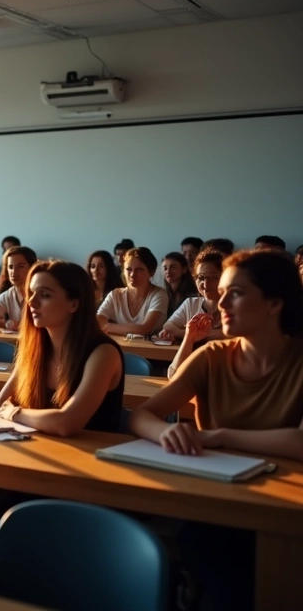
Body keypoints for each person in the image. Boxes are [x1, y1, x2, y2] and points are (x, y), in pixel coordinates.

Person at [129, 250, 303, 611]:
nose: (220, 303)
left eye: (235, 293)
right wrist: (164, 432)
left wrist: (221, 436)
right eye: (220, 292)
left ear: (274, 303)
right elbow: (143, 415)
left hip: (284, 505)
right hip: (215, 501)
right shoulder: (211, 356)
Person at [0, 261, 125, 435]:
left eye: (45, 295)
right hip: (42, 447)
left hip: (92, 451)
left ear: (74, 304)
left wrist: (15, 413)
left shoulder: (104, 353)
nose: (31, 302)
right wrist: (12, 413)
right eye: (31, 293)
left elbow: (67, 423)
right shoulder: (35, 350)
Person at [159, 249, 226, 377]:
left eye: (214, 278)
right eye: (201, 277)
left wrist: (200, 335)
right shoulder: (191, 303)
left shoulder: (238, 309)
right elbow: (173, 374)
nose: (206, 284)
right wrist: (190, 335)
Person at [97, 247, 169, 337]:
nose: (132, 275)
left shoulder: (159, 295)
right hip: (120, 344)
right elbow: (98, 321)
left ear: (151, 272)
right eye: (128, 269)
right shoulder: (115, 295)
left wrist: (108, 327)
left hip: (149, 345)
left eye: (139, 270)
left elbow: (144, 329)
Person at [0, 246, 38, 330]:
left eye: (21, 266)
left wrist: (13, 324)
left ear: (33, 267)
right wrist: (7, 324)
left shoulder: (42, 293)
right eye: (10, 267)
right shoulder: (8, 295)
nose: (14, 272)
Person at [162, 251, 198, 318]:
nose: (168, 271)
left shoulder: (193, 296)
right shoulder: (162, 294)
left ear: (184, 269)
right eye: (165, 268)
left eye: (173, 267)